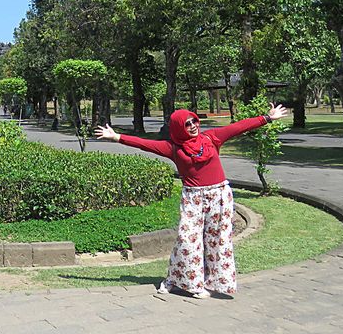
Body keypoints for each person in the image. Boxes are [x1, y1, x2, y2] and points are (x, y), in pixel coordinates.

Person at [95, 104, 288, 299]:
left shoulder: (211, 138)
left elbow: (238, 127)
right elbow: (144, 143)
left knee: (218, 241)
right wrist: (117, 137)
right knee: (187, 240)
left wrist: (268, 118)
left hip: (219, 196)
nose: (193, 126)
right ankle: (183, 281)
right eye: (187, 124)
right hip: (193, 198)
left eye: (194, 121)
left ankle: (215, 281)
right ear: (179, 128)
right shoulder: (173, 148)